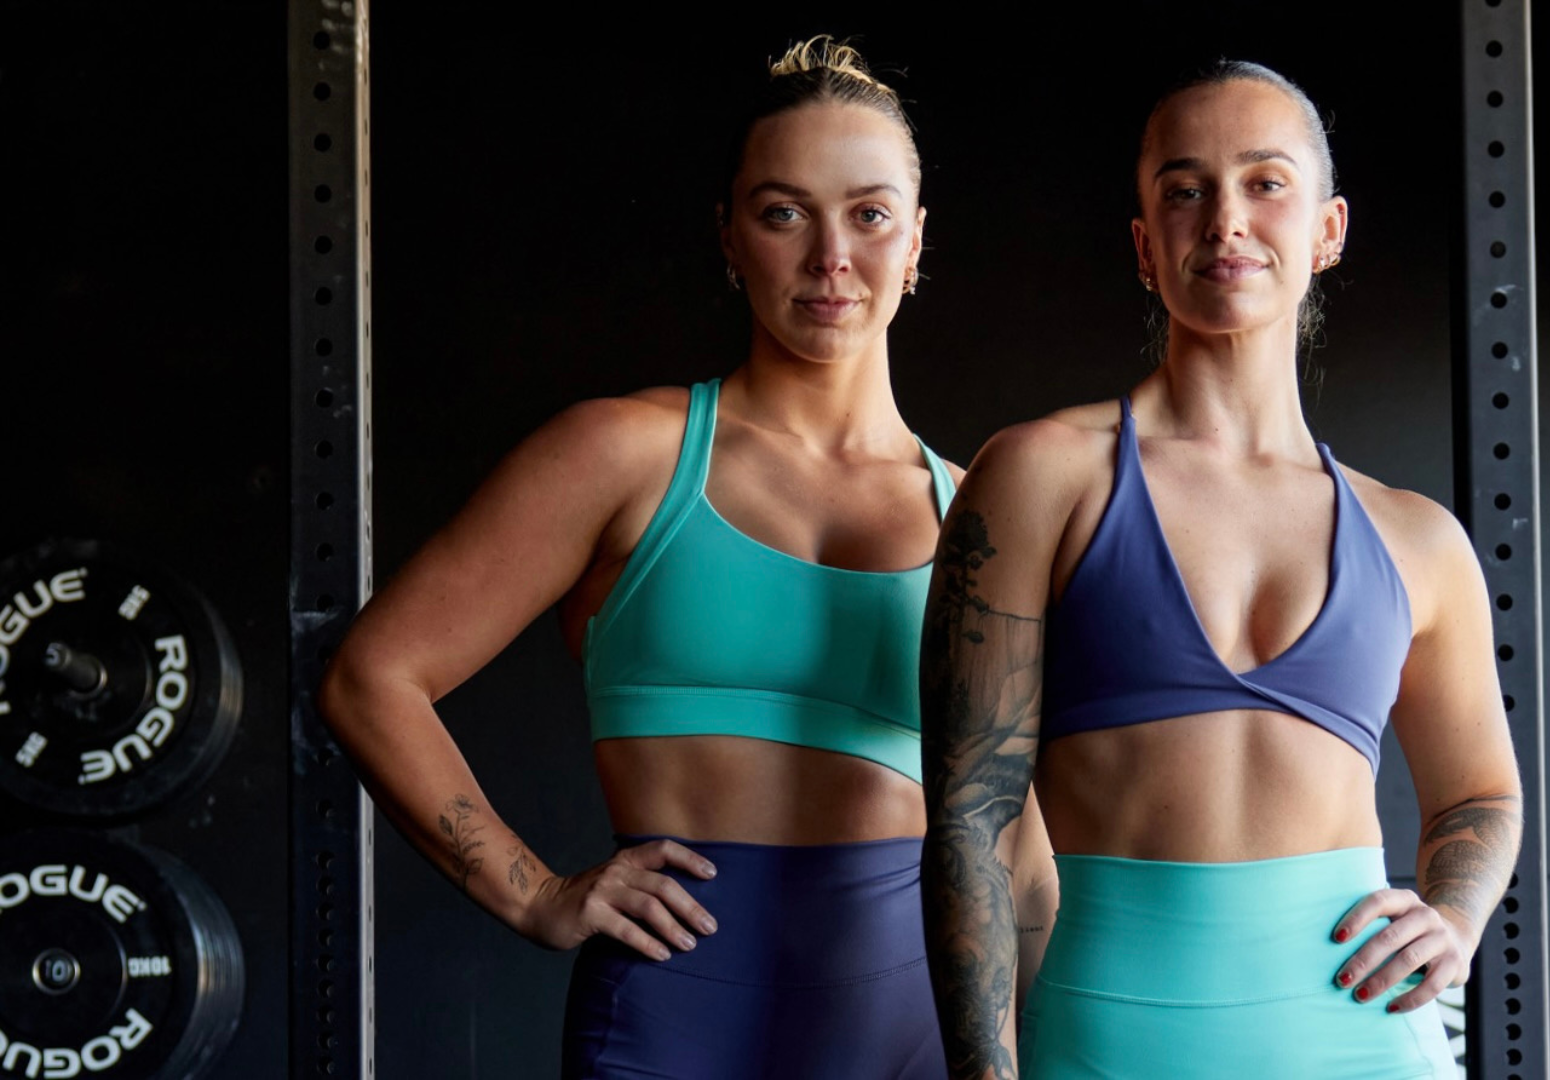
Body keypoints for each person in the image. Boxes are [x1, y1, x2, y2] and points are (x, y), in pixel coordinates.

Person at [320, 38, 1053, 1080]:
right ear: (729, 237)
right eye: (784, 212)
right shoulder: (623, 454)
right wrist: (533, 891)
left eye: (871, 214)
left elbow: (1019, 845)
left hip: (913, 1021)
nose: (831, 258)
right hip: (677, 1015)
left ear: (918, 243)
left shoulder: (978, 511)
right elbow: (370, 678)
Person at [919, 60, 1523, 1078]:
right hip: (1116, 1032)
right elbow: (970, 820)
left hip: (1365, 1040)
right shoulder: (1036, 478)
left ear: (1328, 230)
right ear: (1145, 246)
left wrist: (1453, 919)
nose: (1226, 219)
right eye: (1185, 189)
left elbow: (1479, 796)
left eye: (1265, 182)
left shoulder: (1419, 538)